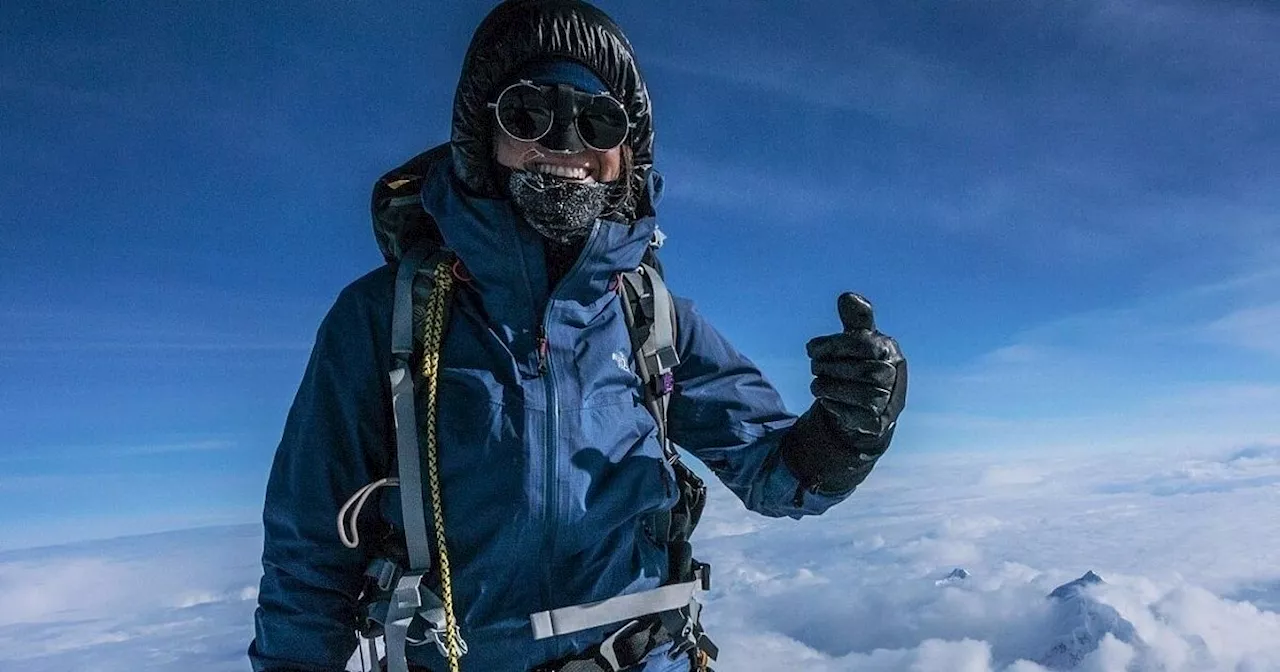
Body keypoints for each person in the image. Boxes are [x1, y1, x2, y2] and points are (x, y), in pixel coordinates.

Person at [248, 1, 907, 671]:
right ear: (483, 139)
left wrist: (844, 436)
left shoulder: (652, 317)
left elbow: (773, 471)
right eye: (529, 114)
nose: (568, 146)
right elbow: (309, 555)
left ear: (628, 155)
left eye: (598, 121)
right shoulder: (384, 319)